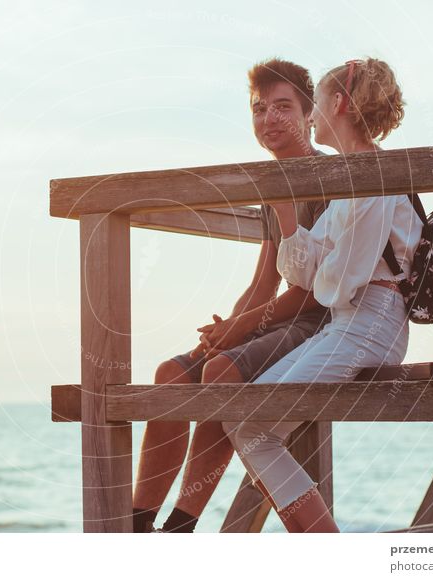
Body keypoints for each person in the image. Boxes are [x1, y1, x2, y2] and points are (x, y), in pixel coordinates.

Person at [132, 59, 332, 533]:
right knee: (171, 374)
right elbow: (264, 282)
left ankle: (181, 526)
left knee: (221, 372)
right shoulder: (271, 186)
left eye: (283, 107)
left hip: (321, 322)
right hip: (279, 316)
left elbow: (315, 295)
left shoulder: (333, 180)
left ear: (310, 115)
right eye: (260, 108)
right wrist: (223, 331)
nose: (270, 119)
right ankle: (136, 526)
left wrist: (241, 328)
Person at [223, 57, 421, 533]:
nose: (308, 117)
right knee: (248, 422)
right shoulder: (349, 177)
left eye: (316, 105)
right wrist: (289, 218)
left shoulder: (375, 177)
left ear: (336, 104)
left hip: (373, 323)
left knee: (253, 426)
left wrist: (320, 264)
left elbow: (337, 279)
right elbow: (311, 272)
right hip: (349, 323)